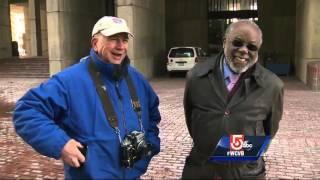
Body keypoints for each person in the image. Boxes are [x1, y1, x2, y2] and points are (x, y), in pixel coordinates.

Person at [13, 16, 161, 179]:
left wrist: (151, 143)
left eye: (124, 40)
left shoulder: (136, 79)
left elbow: (153, 113)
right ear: (95, 44)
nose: (120, 46)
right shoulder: (69, 80)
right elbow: (26, 111)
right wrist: (60, 143)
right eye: (113, 39)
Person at [182, 20, 284, 179]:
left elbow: (270, 131)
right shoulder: (195, 77)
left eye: (251, 47)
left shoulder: (272, 86)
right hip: (201, 171)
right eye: (237, 43)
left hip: (245, 173)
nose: (244, 50)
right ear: (224, 42)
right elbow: (192, 121)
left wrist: (235, 153)